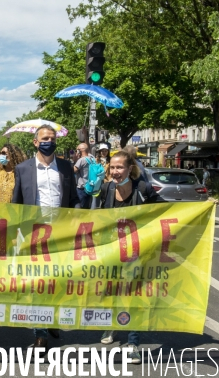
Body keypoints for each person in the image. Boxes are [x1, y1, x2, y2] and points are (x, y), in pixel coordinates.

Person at [12, 124, 80, 349]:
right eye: (44, 138)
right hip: (35, 234)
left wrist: (79, 221)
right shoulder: (23, 169)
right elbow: (17, 204)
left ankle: (53, 319)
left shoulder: (66, 167)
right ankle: (40, 332)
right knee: (39, 283)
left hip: (61, 233)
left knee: (58, 280)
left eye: (52, 138)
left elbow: (73, 199)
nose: (49, 141)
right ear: (35, 142)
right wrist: (17, 234)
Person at [97, 150, 165, 364]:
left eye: (119, 168)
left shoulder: (143, 188)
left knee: (134, 296)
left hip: (137, 252)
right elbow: (97, 216)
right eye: (112, 167)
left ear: (130, 169)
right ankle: (111, 327)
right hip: (112, 251)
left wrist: (203, 207)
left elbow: (166, 208)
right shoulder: (106, 188)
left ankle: (133, 343)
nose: (115, 172)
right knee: (113, 292)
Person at [74, 142, 96, 209]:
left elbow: (73, 170)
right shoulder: (92, 158)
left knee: (81, 207)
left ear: (80, 150)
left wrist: (75, 158)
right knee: (88, 206)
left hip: (82, 188)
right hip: (90, 186)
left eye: (77, 150)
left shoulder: (81, 160)